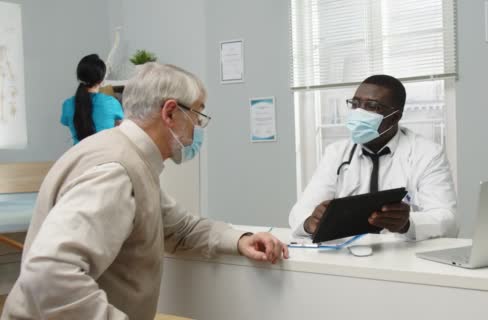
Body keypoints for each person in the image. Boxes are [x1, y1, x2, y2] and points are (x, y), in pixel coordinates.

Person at [2, 63, 288, 320]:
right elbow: (49, 276)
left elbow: (180, 228)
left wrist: (240, 239)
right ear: (170, 112)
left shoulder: (130, 159)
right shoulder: (116, 172)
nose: (198, 128)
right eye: (197, 116)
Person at [289, 75, 457, 241]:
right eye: (355, 104)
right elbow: (300, 212)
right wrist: (309, 222)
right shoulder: (336, 152)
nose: (359, 112)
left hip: (402, 256)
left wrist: (408, 224)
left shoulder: (427, 153)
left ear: (395, 117)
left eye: (371, 106)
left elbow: (448, 220)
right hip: (347, 252)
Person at [61, 54, 124, 144]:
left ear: (79, 77)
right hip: (106, 155)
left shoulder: (67, 104)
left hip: (79, 155)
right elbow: (121, 126)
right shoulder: (111, 102)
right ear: (101, 80)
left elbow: (68, 122)